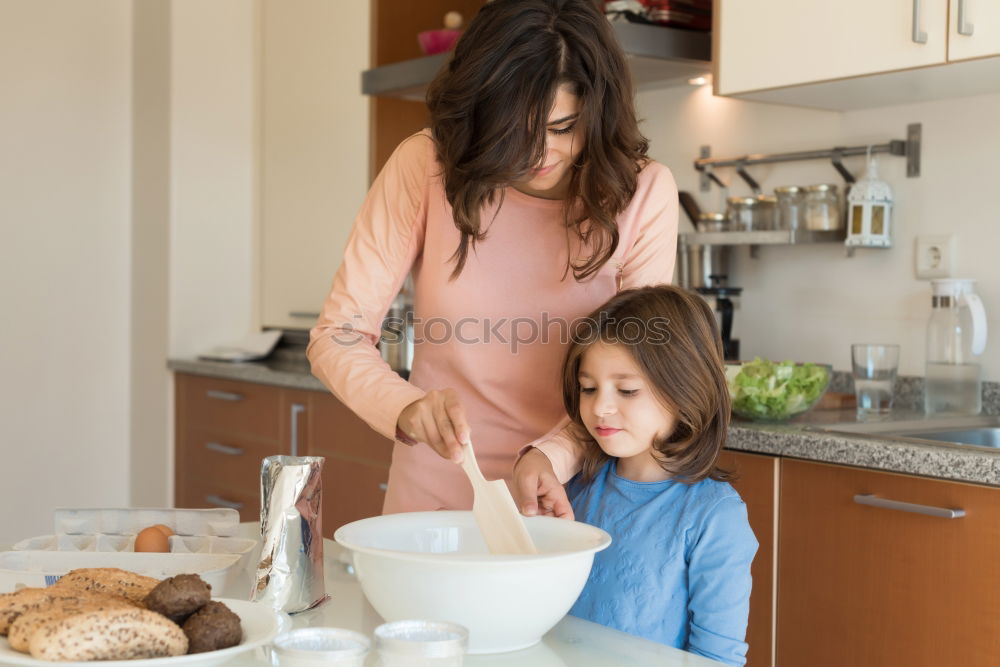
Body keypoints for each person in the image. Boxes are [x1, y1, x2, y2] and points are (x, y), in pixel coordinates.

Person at [307, 0, 678, 514]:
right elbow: (337, 337)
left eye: (564, 127)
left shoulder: (643, 191)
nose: (538, 154)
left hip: (572, 491)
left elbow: (646, 367)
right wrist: (408, 407)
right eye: (514, 130)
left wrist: (552, 454)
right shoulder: (427, 165)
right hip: (438, 489)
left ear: (598, 112)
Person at [559, 284, 757, 666]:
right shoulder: (574, 488)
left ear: (686, 390)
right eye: (588, 388)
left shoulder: (715, 516)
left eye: (627, 390)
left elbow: (716, 657)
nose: (600, 406)